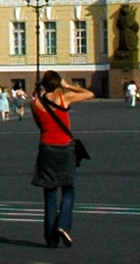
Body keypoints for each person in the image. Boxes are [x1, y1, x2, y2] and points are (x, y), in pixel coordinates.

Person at [30, 70, 93, 249]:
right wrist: (68, 86)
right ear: (57, 84)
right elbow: (89, 93)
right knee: (69, 188)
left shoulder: (35, 103)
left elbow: (39, 125)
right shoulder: (63, 98)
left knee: (50, 193)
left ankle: (51, 239)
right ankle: (63, 224)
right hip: (64, 147)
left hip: (46, 148)